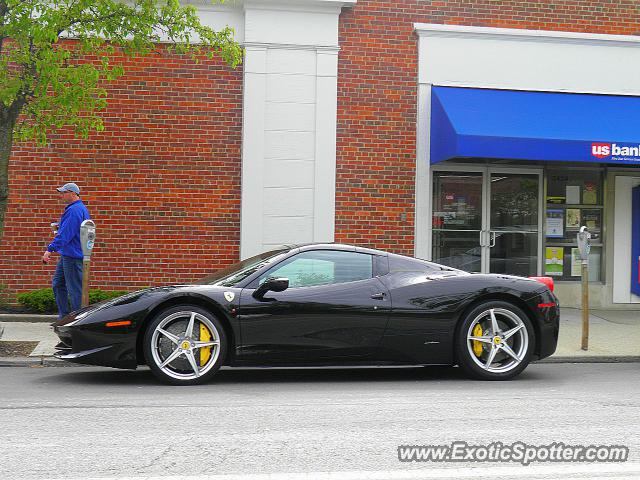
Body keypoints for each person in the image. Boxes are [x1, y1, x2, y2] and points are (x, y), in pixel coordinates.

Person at [42, 183, 91, 319]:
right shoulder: (77, 209)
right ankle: (64, 317)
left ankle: (77, 320)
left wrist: (50, 249)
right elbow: (70, 231)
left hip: (73, 256)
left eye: (64, 192)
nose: (61, 195)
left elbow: (66, 234)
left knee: (75, 290)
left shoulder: (74, 210)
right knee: (58, 284)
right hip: (68, 255)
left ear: (73, 194)